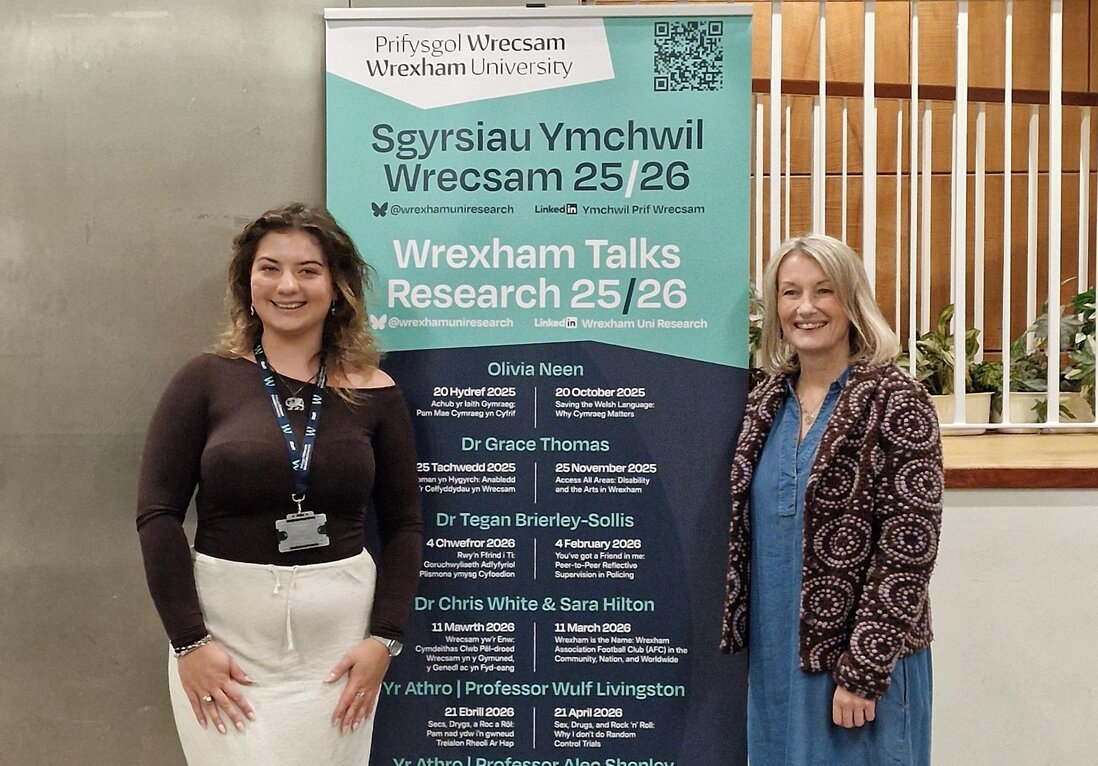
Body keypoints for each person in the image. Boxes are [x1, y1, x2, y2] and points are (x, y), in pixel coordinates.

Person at [136, 203, 422, 765]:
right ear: (248, 282)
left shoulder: (375, 390)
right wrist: (189, 643)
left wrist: (383, 640)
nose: (287, 285)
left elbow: (406, 523)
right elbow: (157, 514)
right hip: (223, 645)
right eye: (269, 268)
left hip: (339, 651)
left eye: (308, 270)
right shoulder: (204, 380)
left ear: (337, 287)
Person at [720, 234, 942, 765]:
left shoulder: (896, 400)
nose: (806, 307)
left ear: (852, 301)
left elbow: (908, 551)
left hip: (861, 666)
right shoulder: (764, 402)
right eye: (790, 292)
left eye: (824, 291)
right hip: (776, 660)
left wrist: (863, 672)